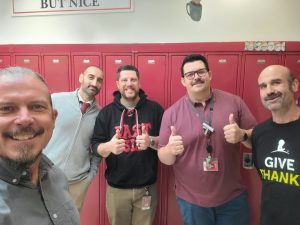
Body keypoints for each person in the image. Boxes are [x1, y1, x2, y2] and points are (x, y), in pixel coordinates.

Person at [158, 54, 256, 225]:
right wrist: (169, 150)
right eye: (190, 74)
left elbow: (256, 139)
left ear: (209, 75)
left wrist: (242, 135)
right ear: (183, 81)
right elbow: (164, 158)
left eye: (200, 72)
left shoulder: (234, 102)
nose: (196, 77)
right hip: (192, 202)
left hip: (232, 199)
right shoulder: (171, 114)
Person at [0, 67, 80, 225]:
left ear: (53, 118)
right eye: (6, 108)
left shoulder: (56, 176)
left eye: (37, 106)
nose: (24, 119)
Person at [91, 64, 164, 225]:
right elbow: (95, 147)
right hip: (117, 190)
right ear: (118, 84)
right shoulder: (106, 113)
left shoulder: (155, 110)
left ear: (139, 83)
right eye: (124, 80)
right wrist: (109, 147)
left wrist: (150, 141)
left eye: (133, 79)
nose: (129, 83)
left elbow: (167, 144)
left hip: (146, 188)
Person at [43, 65, 103, 211]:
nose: (94, 83)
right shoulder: (55, 99)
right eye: (91, 77)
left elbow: (97, 147)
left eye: (99, 80)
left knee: (70, 221)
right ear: (81, 77)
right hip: (46, 177)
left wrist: (90, 175)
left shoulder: (101, 114)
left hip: (77, 182)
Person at [252, 65, 300, 225]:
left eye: (276, 82)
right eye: (263, 86)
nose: (269, 91)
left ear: (294, 85)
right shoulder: (259, 133)